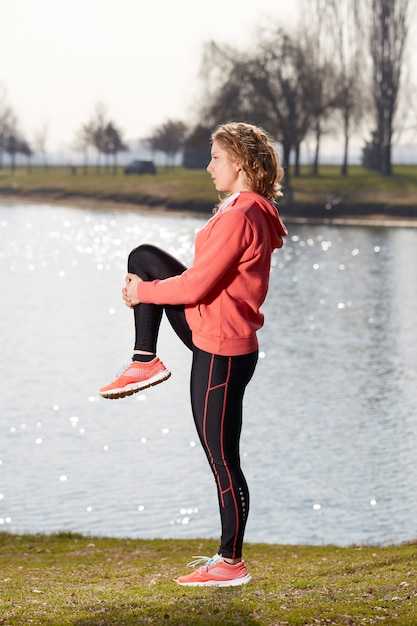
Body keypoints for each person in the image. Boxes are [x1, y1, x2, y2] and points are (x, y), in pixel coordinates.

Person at [100, 121, 288, 587]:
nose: (208, 167)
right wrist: (148, 288)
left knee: (222, 458)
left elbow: (199, 283)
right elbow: (202, 281)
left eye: (216, 158)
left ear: (240, 164)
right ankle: (145, 359)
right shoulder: (243, 208)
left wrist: (146, 294)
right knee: (143, 255)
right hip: (212, 329)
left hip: (222, 349)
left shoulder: (243, 214)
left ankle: (231, 562)